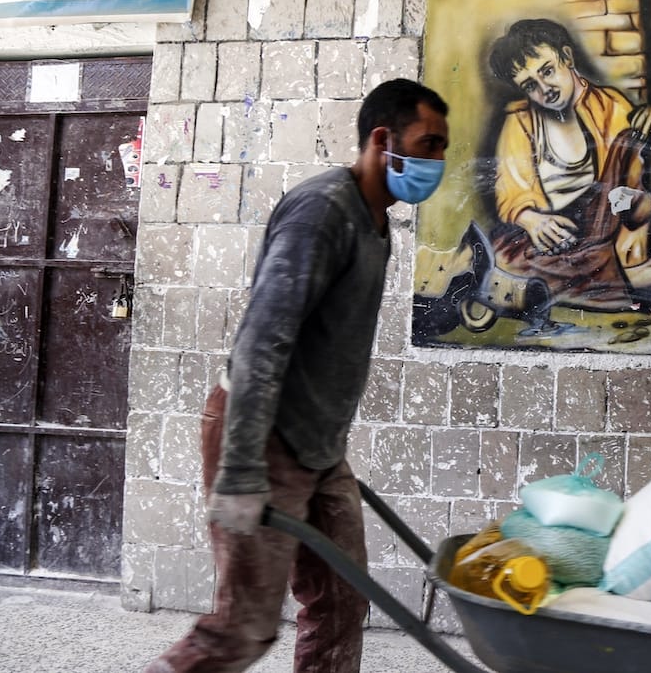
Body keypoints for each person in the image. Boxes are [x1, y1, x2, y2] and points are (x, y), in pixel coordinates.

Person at [143, 79, 450, 673]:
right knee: (242, 630)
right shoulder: (322, 211)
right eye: (428, 143)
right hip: (262, 437)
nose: (438, 160)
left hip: (318, 447)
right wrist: (240, 471)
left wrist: (328, 444)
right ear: (383, 140)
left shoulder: (376, 220)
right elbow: (263, 339)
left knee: (341, 603)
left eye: (443, 147)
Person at [486, 18, 651, 312]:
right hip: (559, 233)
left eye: (548, 71)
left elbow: (634, 182)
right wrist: (531, 219)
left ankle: (650, 277)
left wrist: (634, 226)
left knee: (627, 149)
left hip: (607, 224)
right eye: (530, 85)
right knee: (502, 257)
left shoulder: (611, 105)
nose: (544, 88)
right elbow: (511, 188)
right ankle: (649, 276)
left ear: (567, 57)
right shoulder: (520, 121)